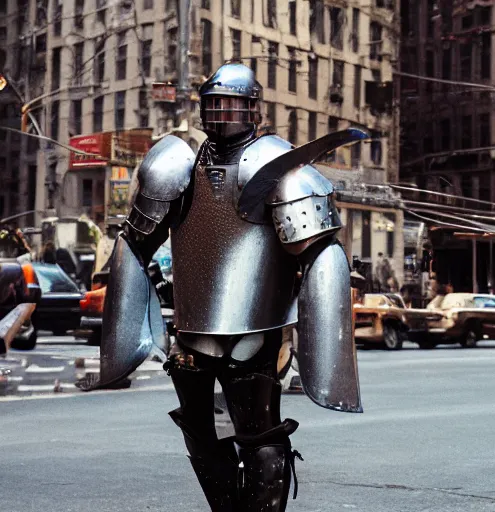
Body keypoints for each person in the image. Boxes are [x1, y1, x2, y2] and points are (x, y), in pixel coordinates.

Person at [80, 62, 366, 511]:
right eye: (214, 104)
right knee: (198, 434)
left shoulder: (279, 163)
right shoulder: (176, 163)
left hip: (255, 331)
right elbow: (135, 244)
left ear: (253, 109)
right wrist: (131, 333)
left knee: (259, 436)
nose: (222, 114)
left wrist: (320, 351)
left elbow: (319, 252)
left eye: (232, 104)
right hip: (192, 334)